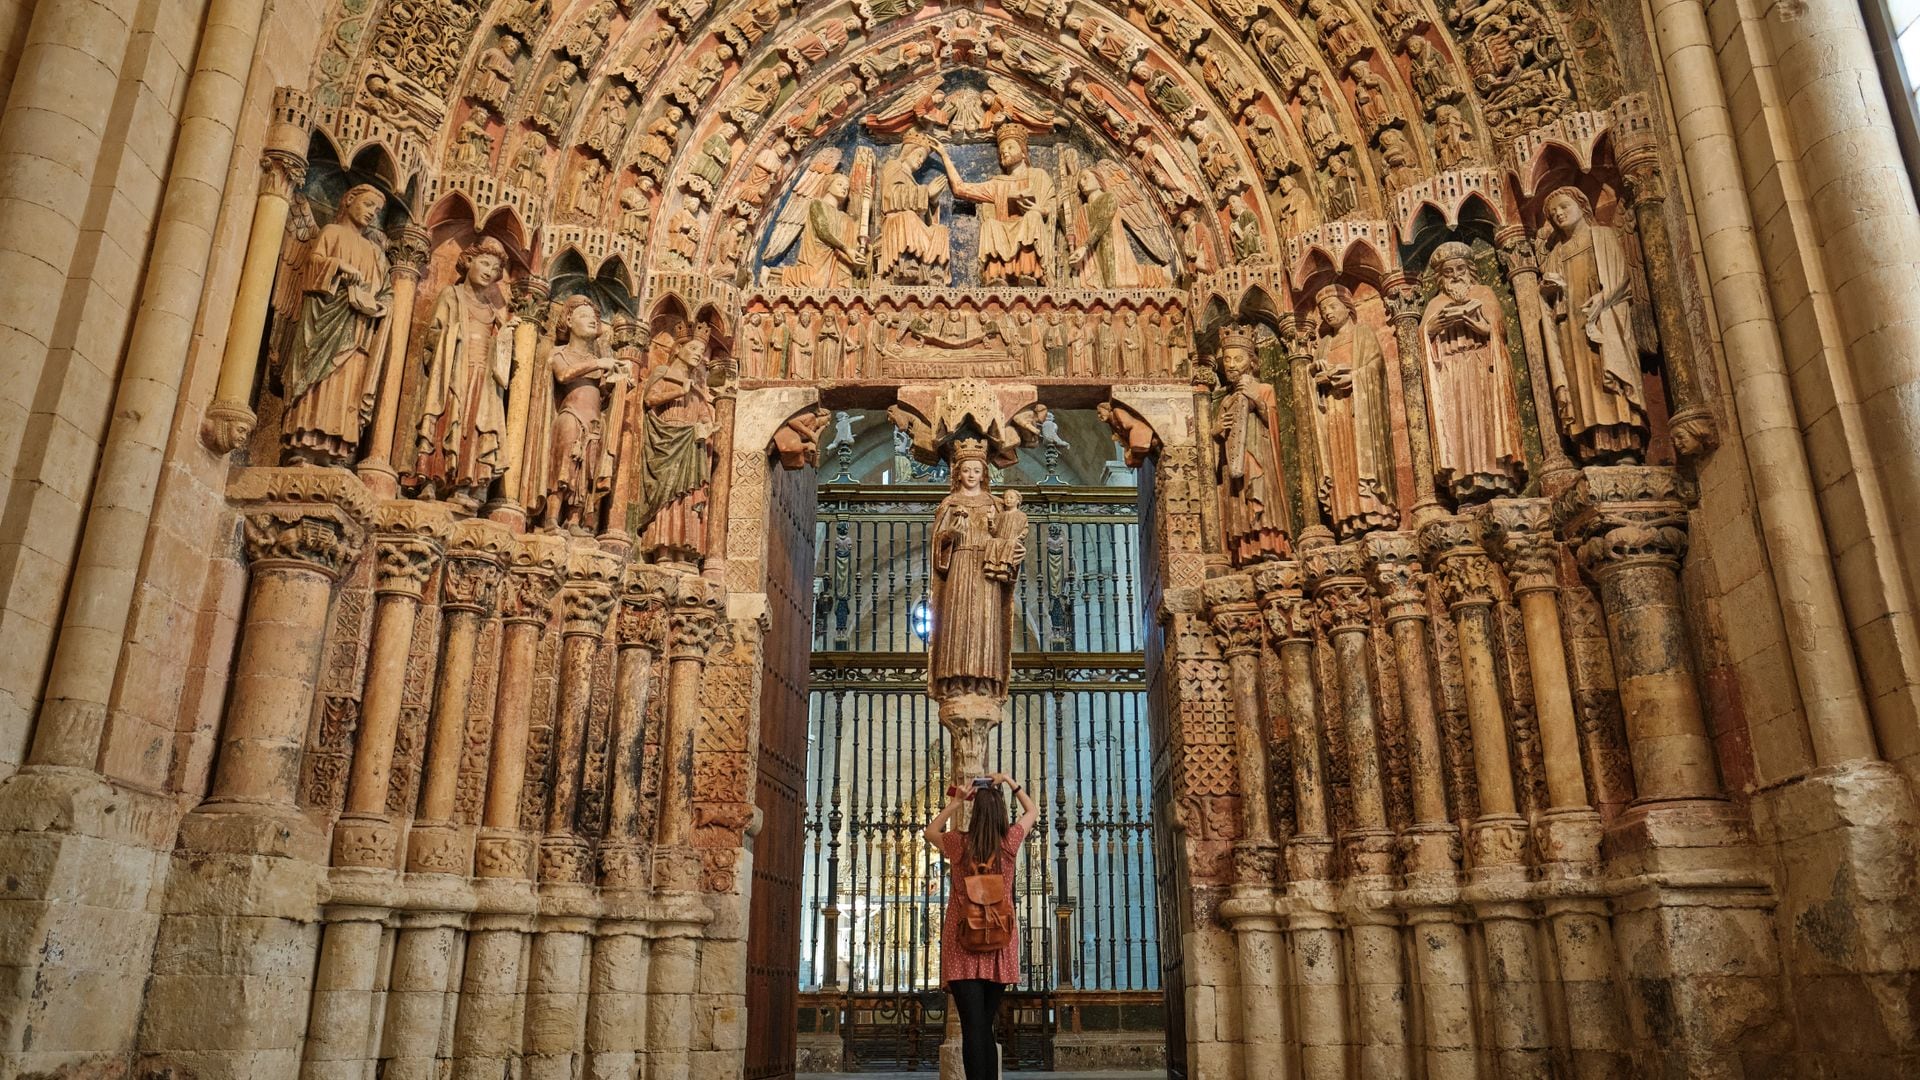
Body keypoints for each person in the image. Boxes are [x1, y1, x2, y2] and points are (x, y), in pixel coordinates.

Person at [924, 773, 1039, 1080]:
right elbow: (1032, 811)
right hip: (999, 944)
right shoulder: (1009, 842)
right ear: (1000, 812)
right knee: (985, 1026)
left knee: (972, 1028)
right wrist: (1010, 781)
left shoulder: (958, 843)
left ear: (975, 813)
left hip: (962, 944)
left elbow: (929, 831)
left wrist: (957, 801)